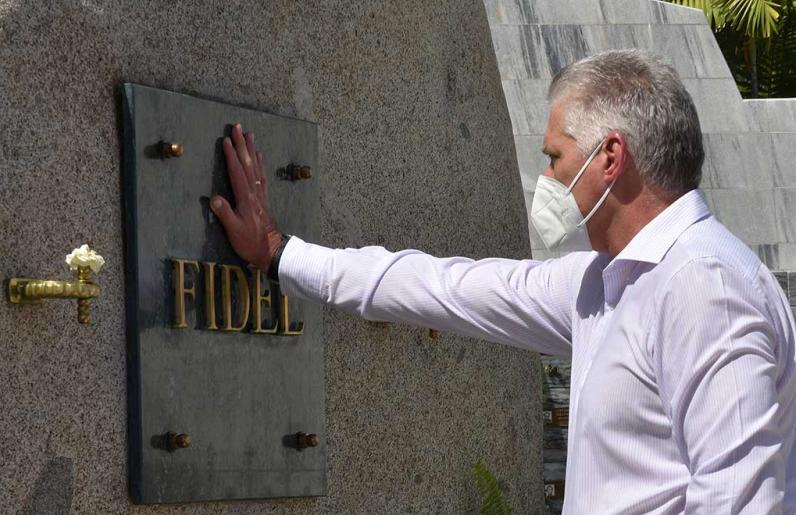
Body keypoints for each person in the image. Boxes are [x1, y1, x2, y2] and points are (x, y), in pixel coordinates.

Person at [209, 49, 796, 513]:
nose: (546, 177)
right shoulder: (602, 284)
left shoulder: (704, 287)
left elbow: (739, 499)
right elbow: (442, 287)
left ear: (610, 157)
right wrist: (279, 254)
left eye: (556, 157)